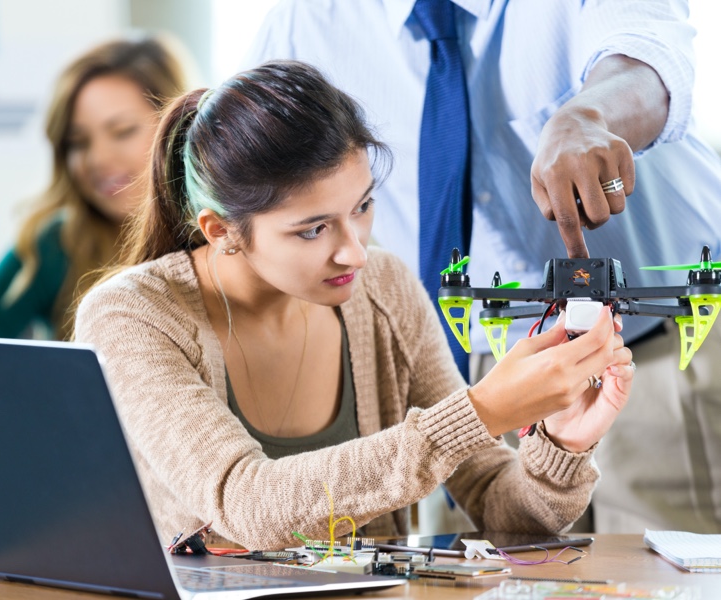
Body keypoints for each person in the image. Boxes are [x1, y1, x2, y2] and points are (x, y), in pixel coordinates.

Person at [74, 60, 634, 549]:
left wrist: (561, 444)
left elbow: (500, 509)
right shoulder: (131, 317)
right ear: (222, 230)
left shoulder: (384, 288)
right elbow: (250, 507)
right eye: (314, 229)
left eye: (362, 206)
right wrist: (482, 411)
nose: (355, 252)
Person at [244, 0, 721, 534]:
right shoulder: (302, 23)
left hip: (655, 344)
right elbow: (254, 185)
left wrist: (590, 114)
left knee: (666, 567)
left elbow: (651, 61)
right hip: (458, 370)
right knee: (484, 568)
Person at [0, 36, 190, 340]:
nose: (97, 159)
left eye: (122, 131)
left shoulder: (229, 237)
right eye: (77, 142)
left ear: (178, 127)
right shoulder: (55, 245)